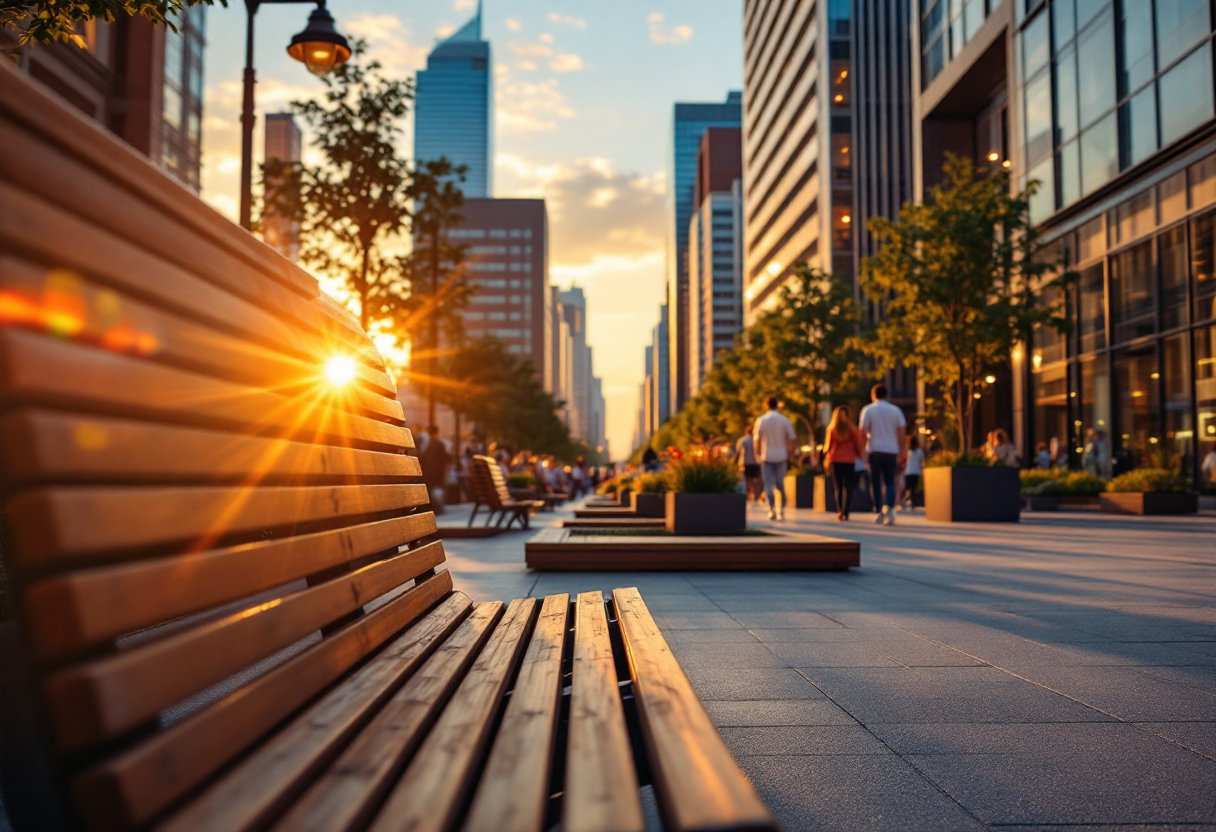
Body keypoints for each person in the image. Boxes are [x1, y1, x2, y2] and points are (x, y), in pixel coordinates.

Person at [859, 383, 906, 525]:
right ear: (887, 395)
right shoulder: (896, 410)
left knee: (876, 482)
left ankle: (878, 510)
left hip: (874, 450)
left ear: (873, 395)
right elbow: (902, 432)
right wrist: (902, 451)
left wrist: (862, 451)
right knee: (890, 481)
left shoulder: (868, 410)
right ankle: (890, 509)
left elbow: (862, 431)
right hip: (891, 450)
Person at [753, 396, 797, 520]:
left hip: (766, 456)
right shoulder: (784, 420)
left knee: (769, 484)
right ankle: (781, 509)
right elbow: (792, 438)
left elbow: (756, 439)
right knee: (780, 482)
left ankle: (772, 508)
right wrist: (790, 453)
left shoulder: (761, 420)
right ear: (777, 405)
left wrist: (758, 453)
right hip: (781, 455)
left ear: (766, 405)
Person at [822, 406, 864, 521]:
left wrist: (826, 459)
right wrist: (859, 455)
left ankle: (839, 511)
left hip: (835, 459)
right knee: (848, 487)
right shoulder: (852, 429)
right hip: (849, 460)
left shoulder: (831, 429)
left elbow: (827, 447)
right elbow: (858, 445)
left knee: (838, 487)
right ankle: (846, 512)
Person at [421, 424, 450, 514]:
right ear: (437, 432)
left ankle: (434, 507)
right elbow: (444, 460)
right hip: (437, 471)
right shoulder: (439, 444)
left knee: (431, 490)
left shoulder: (427, 444)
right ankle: (438, 507)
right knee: (437, 490)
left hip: (429, 472)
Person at [735, 426, 762, 505]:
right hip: (756, 462)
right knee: (756, 479)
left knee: (748, 479)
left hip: (747, 462)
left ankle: (749, 495)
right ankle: (754, 495)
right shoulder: (757, 440)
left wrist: (737, 462)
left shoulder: (744, 440)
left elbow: (740, 451)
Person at [902, 435, 925, 511]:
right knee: (913, 488)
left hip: (908, 471)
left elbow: (904, 461)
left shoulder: (908, 452)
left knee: (908, 488)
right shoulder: (919, 452)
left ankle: (906, 500)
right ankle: (912, 502)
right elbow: (922, 462)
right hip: (916, 472)